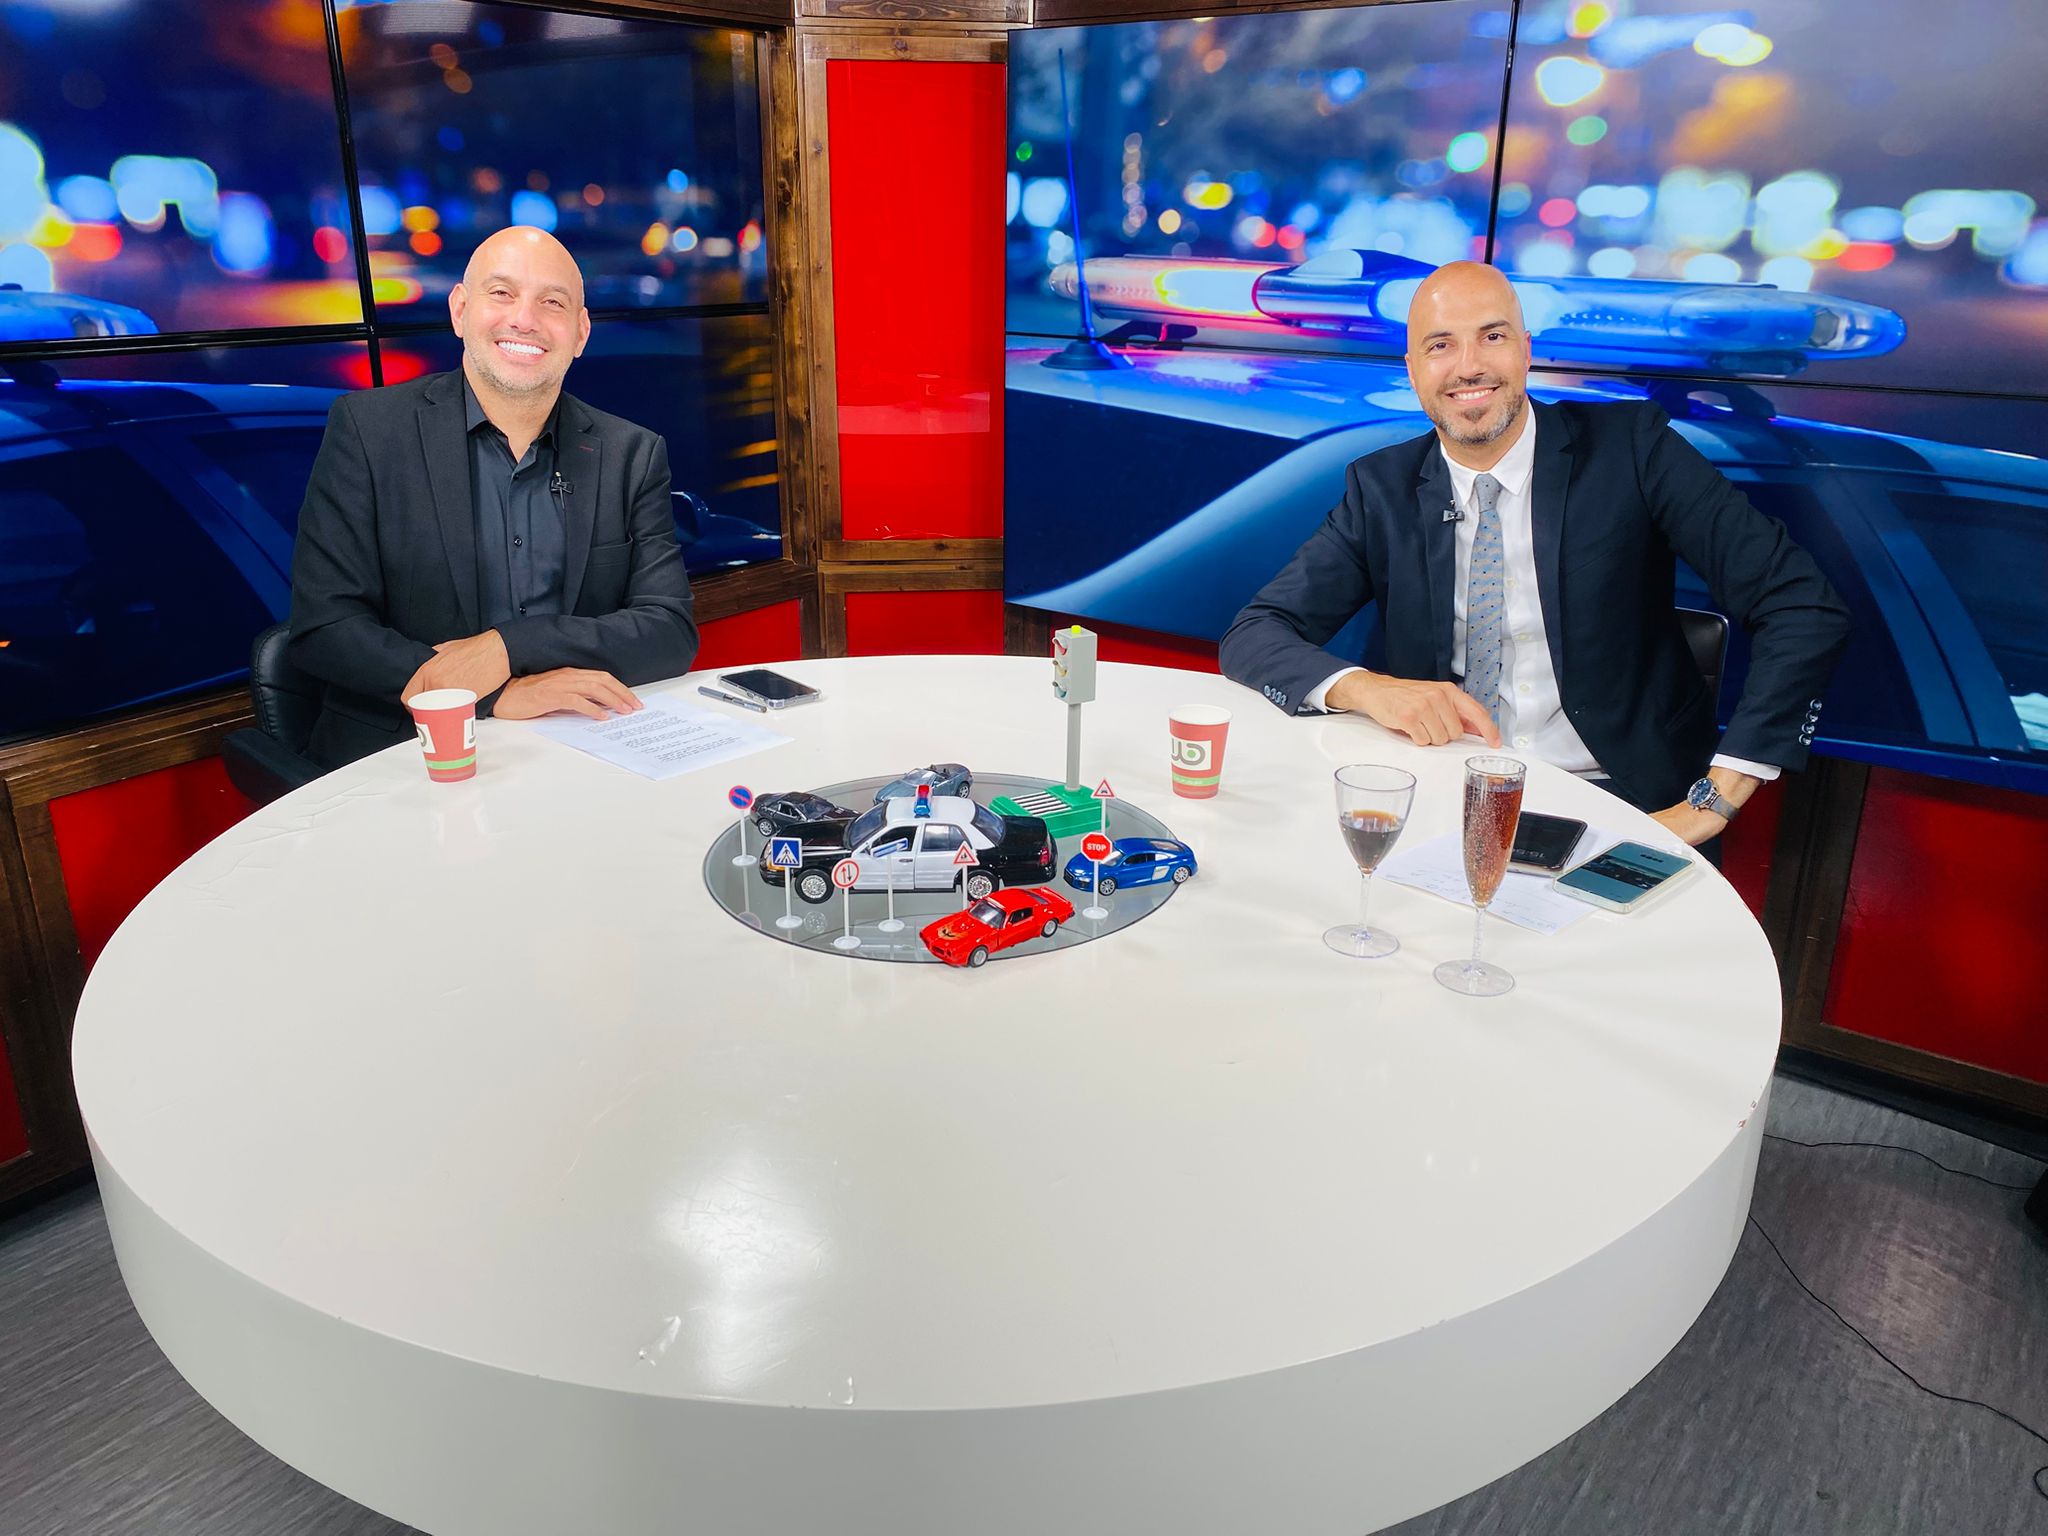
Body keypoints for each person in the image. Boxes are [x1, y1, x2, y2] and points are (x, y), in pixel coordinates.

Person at [1220, 262, 1851, 846]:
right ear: (1412, 369)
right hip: (1447, 797)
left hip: (1623, 804)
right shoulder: (1380, 488)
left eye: (1491, 337)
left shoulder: (1634, 449)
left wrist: (1717, 796)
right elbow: (1254, 634)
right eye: (1441, 346)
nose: (1468, 367)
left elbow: (1802, 604)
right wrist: (1368, 688)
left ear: (1525, 350)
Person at [287, 225, 698, 769]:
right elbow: (326, 629)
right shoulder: (368, 430)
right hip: (403, 758)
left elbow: (669, 631)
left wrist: (511, 646)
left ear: (580, 333)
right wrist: (495, 695)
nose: (524, 319)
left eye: (552, 302)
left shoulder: (632, 453)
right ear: (460, 310)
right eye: (502, 293)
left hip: (576, 755)